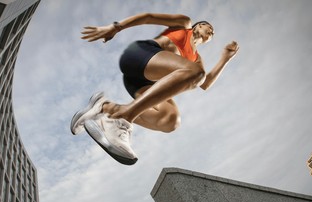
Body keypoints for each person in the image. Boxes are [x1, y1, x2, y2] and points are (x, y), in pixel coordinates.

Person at [70, 13, 239, 165]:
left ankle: (106, 109)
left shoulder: (196, 59)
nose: (212, 31)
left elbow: (205, 83)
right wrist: (116, 27)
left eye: (213, 32)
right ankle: (122, 117)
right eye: (209, 27)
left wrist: (225, 59)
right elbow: (148, 17)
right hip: (138, 55)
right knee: (196, 73)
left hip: (143, 84)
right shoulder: (185, 24)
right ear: (198, 26)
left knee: (171, 121)